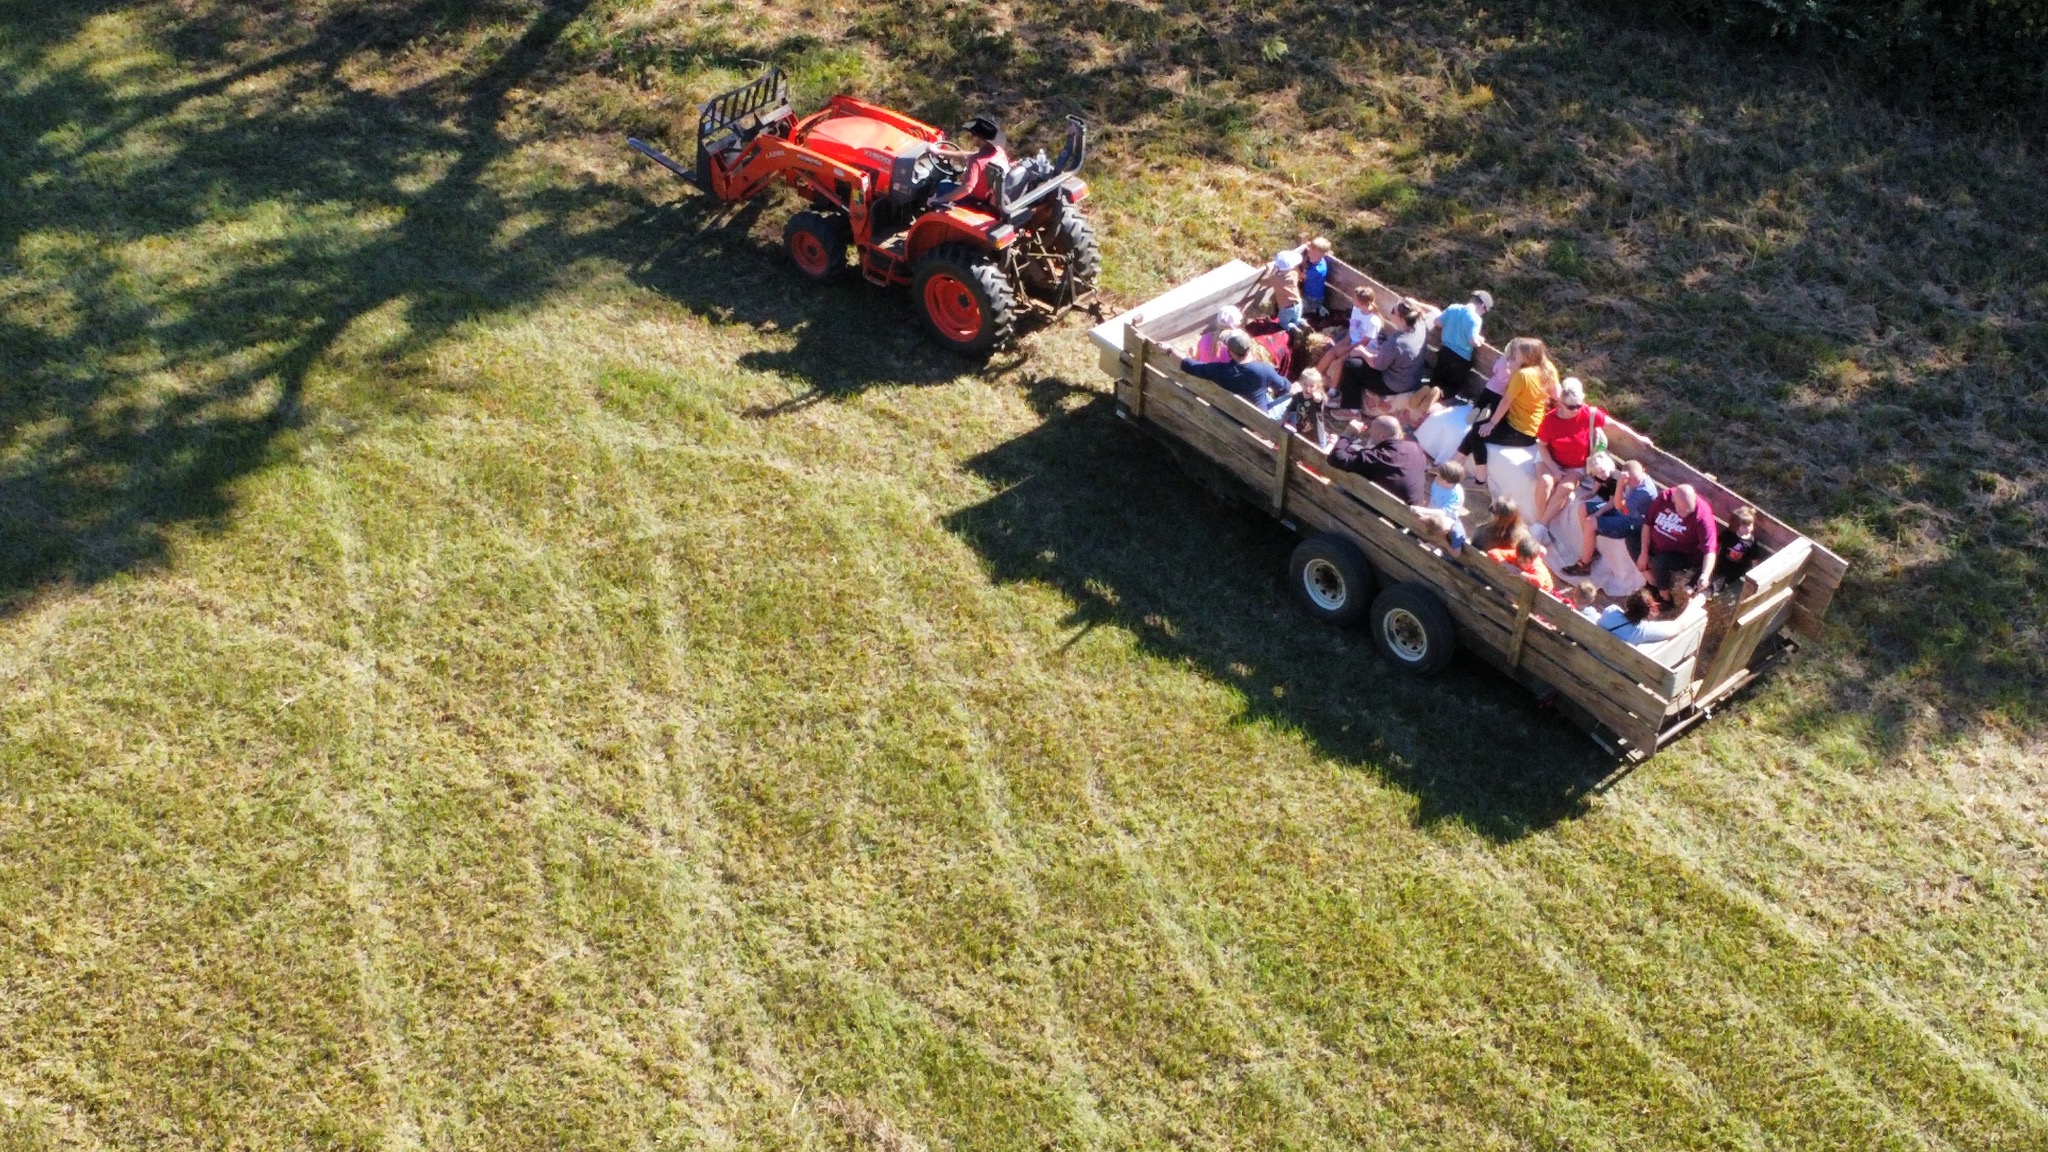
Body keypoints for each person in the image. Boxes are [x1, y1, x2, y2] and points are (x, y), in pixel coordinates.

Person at [1457, 336, 1557, 487]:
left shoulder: (1523, 374)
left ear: (1526, 356)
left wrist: (1491, 423)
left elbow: (1506, 401)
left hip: (1521, 431)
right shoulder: (1548, 369)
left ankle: (1480, 480)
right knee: (1478, 429)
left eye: (1517, 352)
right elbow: (1556, 394)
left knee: (1477, 433)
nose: (1514, 354)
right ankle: (1453, 463)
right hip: (1531, 425)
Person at [1531, 376, 1607, 523]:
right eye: (1571, 407)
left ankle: (1540, 525)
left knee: (1565, 488)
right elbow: (1542, 445)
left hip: (1575, 464)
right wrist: (1554, 469)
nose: (1575, 410)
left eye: (1578, 406)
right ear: (1561, 403)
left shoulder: (1588, 414)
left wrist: (1639, 438)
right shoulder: (1550, 420)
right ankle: (1542, 523)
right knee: (1546, 482)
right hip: (1551, 457)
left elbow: (1616, 426)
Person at [1331, 414, 1432, 506]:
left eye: (1372, 430)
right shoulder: (1415, 448)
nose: (1369, 431)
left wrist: (1347, 433)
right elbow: (1424, 468)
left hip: (1381, 513)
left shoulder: (1376, 457)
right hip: (1407, 515)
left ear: (1383, 436)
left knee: (1342, 485)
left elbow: (1335, 458)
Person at [1345, 299, 1435, 400]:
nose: (1391, 311)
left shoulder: (1398, 343)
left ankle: (1352, 409)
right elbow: (1436, 312)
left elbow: (1377, 365)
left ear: (1401, 319)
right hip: (1413, 378)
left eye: (1393, 311)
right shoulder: (1420, 324)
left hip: (1394, 385)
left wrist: (1362, 352)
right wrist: (1414, 303)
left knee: (1351, 364)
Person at [1638, 483, 1718, 596]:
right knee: (1632, 538)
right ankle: (1652, 582)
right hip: (1656, 545)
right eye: (1681, 510)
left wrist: (1705, 575)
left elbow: (1710, 549)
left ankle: (1664, 595)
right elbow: (1647, 523)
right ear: (1673, 500)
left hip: (1682, 554)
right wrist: (1644, 553)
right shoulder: (1664, 498)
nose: (1684, 514)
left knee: (1659, 562)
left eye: (1688, 511)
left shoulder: (1702, 515)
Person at [1180, 329, 1289, 407]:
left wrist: (1170, 351)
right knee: (1291, 400)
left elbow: (1193, 366)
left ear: (1230, 352)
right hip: (1257, 424)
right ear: (1250, 347)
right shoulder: (1265, 370)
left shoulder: (1220, 371)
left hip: (1230, 416)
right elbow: (1284, 388)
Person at [930, 116, 1009, 208]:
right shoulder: (998, 151)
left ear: (981, 139)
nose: (970, 137)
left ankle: (936, 210)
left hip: (975, 200)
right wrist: (939, 152)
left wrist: (938, 200)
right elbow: (968, 156)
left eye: (973, 135)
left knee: (943, 185)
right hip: (988, 195)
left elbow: (966, 189)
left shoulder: (976, 161)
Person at [1431, 289, 1493, 401]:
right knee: (1451, 388)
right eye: (1485, 311)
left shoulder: (1453, 308)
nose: (1483, 313)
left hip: (1444, 352)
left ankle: (1428, 392)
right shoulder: (1475, 319)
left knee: (1436, 381)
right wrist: (1481, 340)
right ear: (1482, 305)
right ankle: (1439, 397)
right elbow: (1473, 341)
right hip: (1460, 360)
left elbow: (1438, 322)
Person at [1596, 585, 1707, 646]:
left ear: (1627, 603)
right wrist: (1694, 604)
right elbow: (1678, 626)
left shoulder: (1610, 611)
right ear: (1648, 612)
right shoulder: (1642, 630)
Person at [1486, 534, 1555, 594]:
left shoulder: (1537, 567)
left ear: (1534, 559)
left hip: (1543, 593)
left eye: (1529, 562)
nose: (1525, 565)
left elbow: (1539, 582)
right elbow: (1492, 552)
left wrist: (1520, 574)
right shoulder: (1515, 555)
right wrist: (1506, 564)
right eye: (1522, 561)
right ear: (1517, 555)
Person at [1717, 506, 1759, 591]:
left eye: (1749, 525)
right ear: (1736, 525)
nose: (1747, 529)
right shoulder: (1728, 534)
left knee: (1719, 583)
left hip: (1735, 572)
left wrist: (1755, 576)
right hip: (1721, 566)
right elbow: (1716, 545)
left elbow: (1754, 560)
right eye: (1744, 526)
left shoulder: (1751, 542)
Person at [1263, 249, 1306, 329]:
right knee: (1296, 319)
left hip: (1286, 308)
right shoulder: (1294, 273)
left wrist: (1269, 269)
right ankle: (1302, 323)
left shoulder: (1275, 279)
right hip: (1298, 304)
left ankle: (1293, 329)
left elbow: (1263, 282)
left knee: (1283, 323)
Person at [1299, 237, 1333, 321]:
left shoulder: (1317, 270)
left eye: (1315, 255)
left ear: (1323, 255)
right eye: (1310, 252)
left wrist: (1295, 266)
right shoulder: (1316, 259)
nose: (1310, 255)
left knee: (1296, 310)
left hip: (1312, 299)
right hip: (1306, 292)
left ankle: (1315, 309)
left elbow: (1300, 276)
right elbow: (1308, 246)